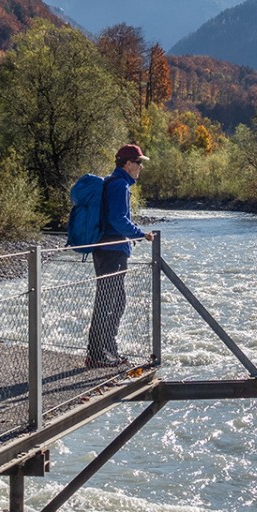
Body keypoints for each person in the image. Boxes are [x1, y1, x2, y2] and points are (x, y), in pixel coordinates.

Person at [87, 143, 154, 367]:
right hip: (111, 250)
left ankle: (107, 349)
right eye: (138, 163)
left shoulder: (114, 182)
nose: (140, 167)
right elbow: (118, 220)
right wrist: (140, 234)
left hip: (107, 249)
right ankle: (98, 354)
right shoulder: (120, 186)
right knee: (108, 302)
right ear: (127, 164)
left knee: (115, 301)